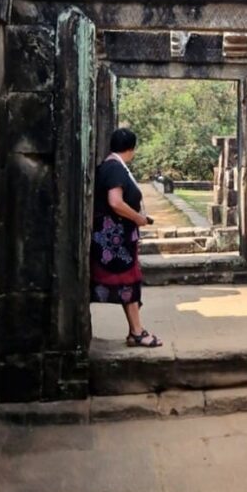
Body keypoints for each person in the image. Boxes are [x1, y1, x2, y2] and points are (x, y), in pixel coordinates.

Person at [90, 127, 162, 347]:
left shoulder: (111, 166)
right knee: (129, 281)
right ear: (131, 149)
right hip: (114, 241)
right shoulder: (114, 169)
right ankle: (137, 332)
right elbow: (115, 202)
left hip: (117, 238)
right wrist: (138, 219)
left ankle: (135, 330)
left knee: (130, 281)